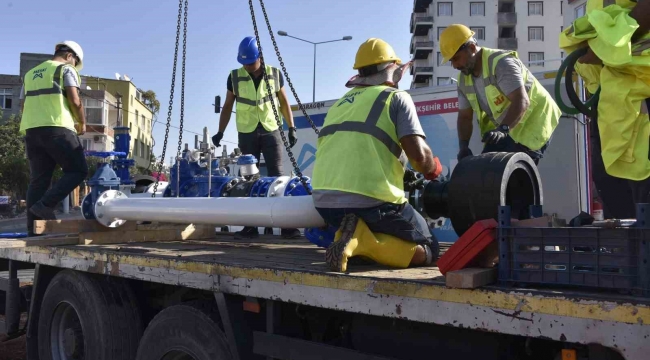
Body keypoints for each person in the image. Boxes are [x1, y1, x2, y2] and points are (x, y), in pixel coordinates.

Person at [311, 38, 443, 272]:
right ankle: (365, 241)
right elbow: (420, 158)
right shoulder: (395, 97)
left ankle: (351, 240)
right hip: (372, 203)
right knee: (429, 247)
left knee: (372, 231)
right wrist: (432, 169)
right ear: (393, 68)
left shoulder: (339, 104)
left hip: (325, 204)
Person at [559, 0, 650, 217]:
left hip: (641, 87)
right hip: (616, 96)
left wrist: (604, 48)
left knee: (640, 187)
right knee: (613, 184)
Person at [212, 36, 300, 239]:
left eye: (250, 62)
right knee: (248, 179)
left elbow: (284, 102)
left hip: (271, 129)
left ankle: (286, 226)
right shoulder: (234, 76)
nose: (248, 67)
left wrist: (292, 127)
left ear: (259, 57)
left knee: (278, 176)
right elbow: (227, 106)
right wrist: (221, 131)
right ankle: (250, 226)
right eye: (244, 63)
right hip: (247, 131)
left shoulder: (275, 74)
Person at [439, 24, 561, 165]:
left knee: (513, 177)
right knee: (486, 171)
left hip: (534, 122)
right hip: (507, 127)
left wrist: (503, 129)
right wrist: (463, 146)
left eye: (456, 58)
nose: (454, 66)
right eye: (451, 61)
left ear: (472, 48)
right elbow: (465, 117)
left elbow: (521, 100)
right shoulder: (463, 80)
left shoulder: (501, 63)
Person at [19, 41, 88, 236]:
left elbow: (23, 105)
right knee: (78, 170)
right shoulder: (66, 69)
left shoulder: (30, 74)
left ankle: (33, 229)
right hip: (58, 127)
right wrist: (81, 123)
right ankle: (45, 205)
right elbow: (74, 100)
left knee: (38, 180)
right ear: (69, 56)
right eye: (75, 62)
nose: (75, 66)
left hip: (32, 131)